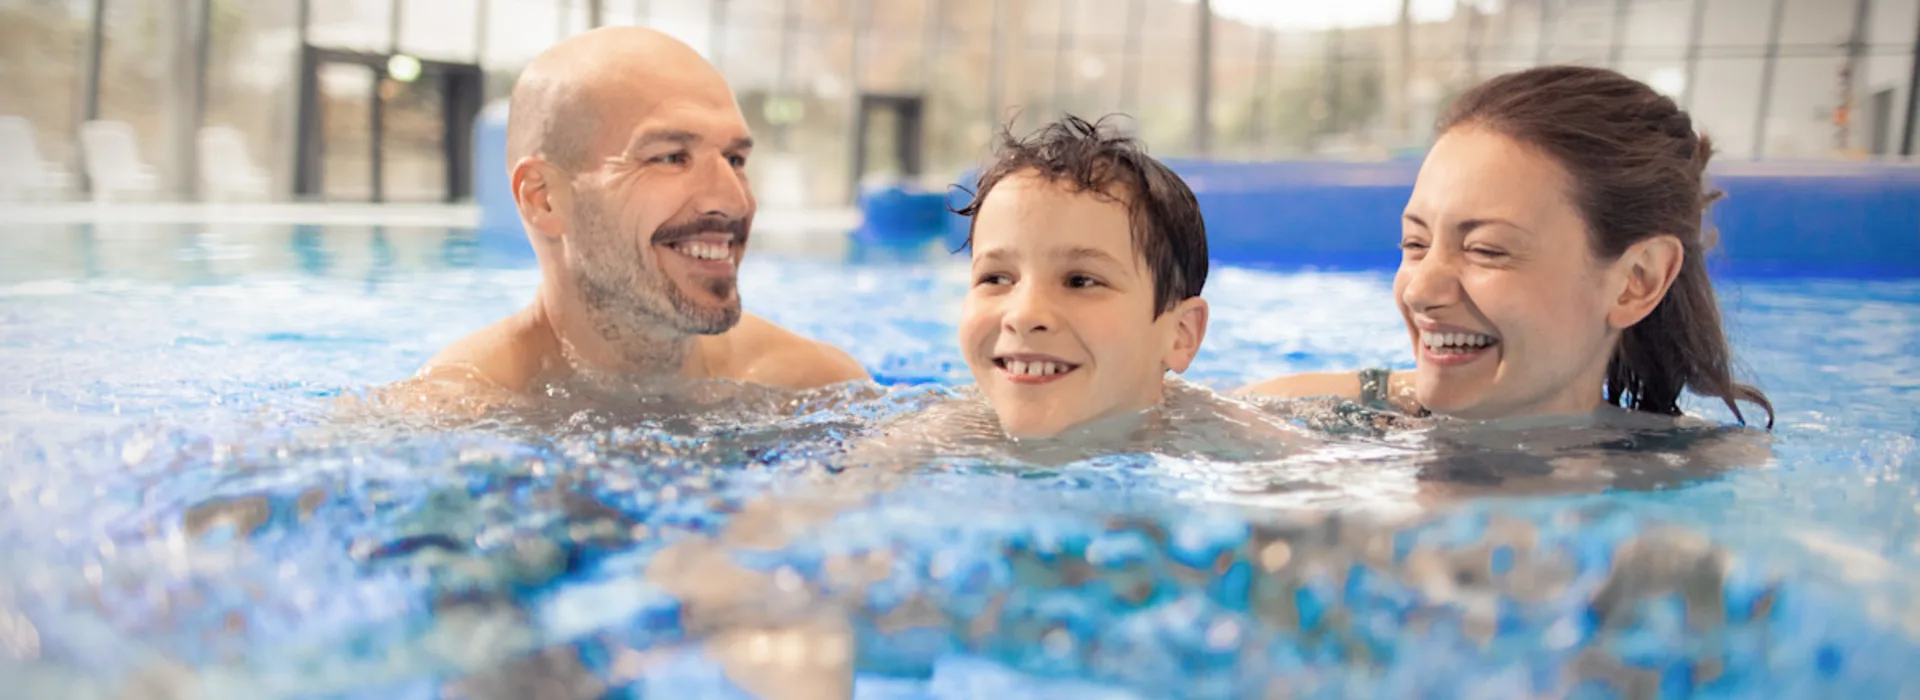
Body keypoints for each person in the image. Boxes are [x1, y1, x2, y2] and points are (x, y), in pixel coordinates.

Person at [1241, 66, 1774, 429]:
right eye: (1415, 242)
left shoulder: (1699, 483)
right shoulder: (1299, 419)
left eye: (1487, 250)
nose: (1421, 290)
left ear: (1637, 281)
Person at [398, 27, 867, 409]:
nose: (732, 200)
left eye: (735, 159)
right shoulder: (458, 412)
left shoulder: (812, 386)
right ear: (543, 199)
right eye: (670, 157)